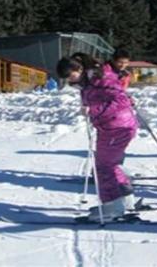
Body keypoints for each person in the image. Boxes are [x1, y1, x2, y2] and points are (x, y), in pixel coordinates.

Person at [56, 53, 139, 221]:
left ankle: (112, 207)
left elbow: (122, 100)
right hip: (111, 126)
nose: (69, 80)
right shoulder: (87, 81)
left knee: (103, 167)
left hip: (118, 126)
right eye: (66, 78)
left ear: (78, 68)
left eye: (70, 75)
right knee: (110, 164)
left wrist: (94, 110)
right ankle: (125, 200)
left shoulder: (101, 77)